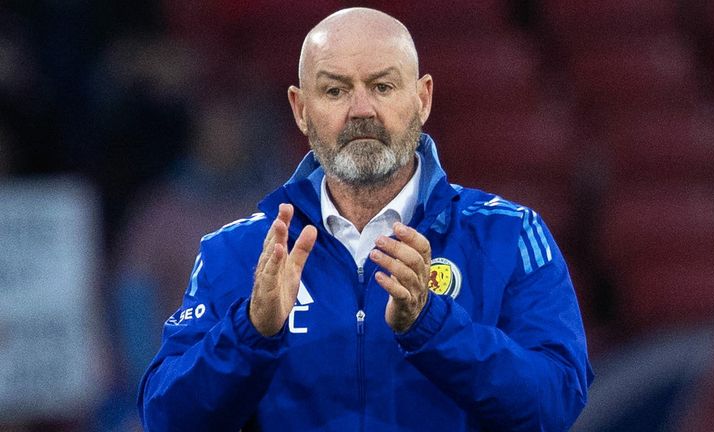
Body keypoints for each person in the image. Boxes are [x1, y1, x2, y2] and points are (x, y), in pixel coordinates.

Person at [138, 7, 592, 431]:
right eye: (335, 90)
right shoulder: (238, 252)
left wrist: (433, 325)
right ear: (300, 109)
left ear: (422, 98)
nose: (361, 110)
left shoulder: (508, 235)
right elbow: (165, 416)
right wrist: (250, 333)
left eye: (382, 87)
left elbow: (557, 403)